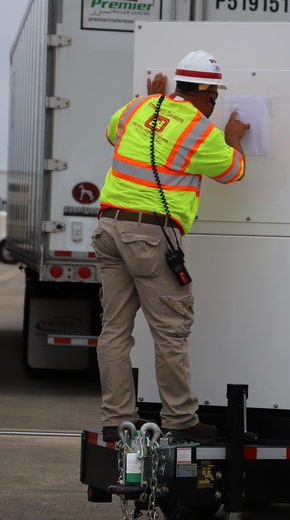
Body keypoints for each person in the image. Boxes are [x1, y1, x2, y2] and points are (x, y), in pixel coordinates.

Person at [92, 50, 250, 443]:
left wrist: (147, 98)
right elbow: (233, 171)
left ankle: (116, 419)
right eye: (214, 97)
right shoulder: (200, 131)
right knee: (170, 332)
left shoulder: (139, 107)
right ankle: (180, 419)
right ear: (209, 95)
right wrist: (232, 137)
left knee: (114, 330)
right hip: (150, 237)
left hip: (109, 229)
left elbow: (112, 133)